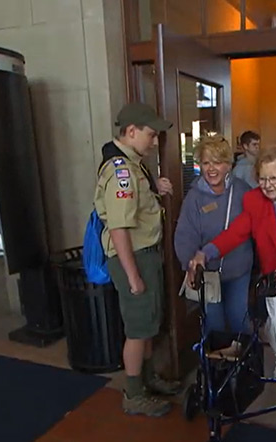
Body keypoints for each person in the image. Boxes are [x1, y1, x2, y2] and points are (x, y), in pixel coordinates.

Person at [189, 146, 276, 404]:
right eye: (263, 178)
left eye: (274, 178)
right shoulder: (253, 201)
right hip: (275, 274)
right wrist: (205, 253)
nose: (268, 185)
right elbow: (236, 233)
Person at [94, 103, 182, 418]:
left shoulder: (133, 165)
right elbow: (118, 229)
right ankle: (133, 394)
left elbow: (136, 203)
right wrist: (133, 277)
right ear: (131, 132)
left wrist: (154, 187)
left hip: (144, 255)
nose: (155, 141)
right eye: (151, 135)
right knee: (137, 329)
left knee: (147, 324)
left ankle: (147, 380)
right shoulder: (121, 172)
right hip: (132, 258)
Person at [174, 135, 253, 335]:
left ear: (229, 165)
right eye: (206, 162)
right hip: (207, 273)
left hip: (238, 270)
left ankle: (245, 364)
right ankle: (218, 365)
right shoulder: (194, 197)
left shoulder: (244, 192)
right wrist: (190, 264)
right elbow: (185, 234)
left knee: (239, 320)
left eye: (217, 162)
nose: (211, 169)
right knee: (214, 325)